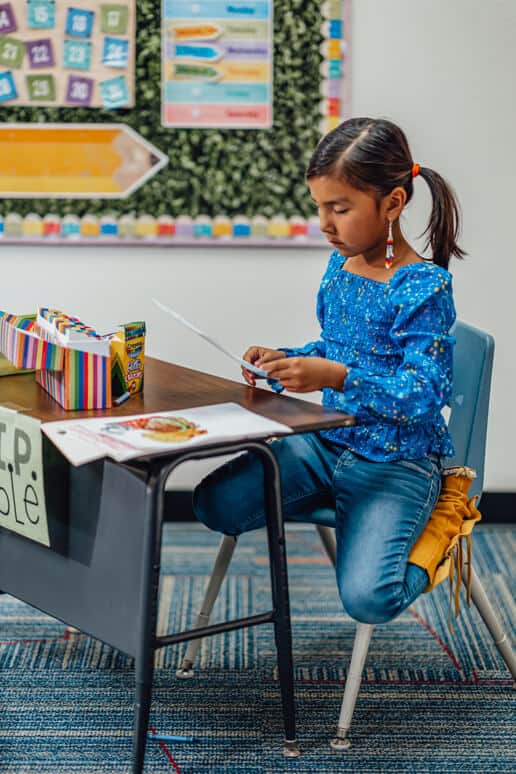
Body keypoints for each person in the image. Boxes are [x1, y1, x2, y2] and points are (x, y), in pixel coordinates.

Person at [193, 117, 465, 625]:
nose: (324, 223)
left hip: (395, 462)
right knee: (214, 505)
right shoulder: (340, 266)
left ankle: (440, 532)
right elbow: (336, 348)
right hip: (325, 443)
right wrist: (287, 360)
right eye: (319, 206)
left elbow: (425, 392)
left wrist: (337, 377)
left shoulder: (423, 286)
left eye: (339, 208)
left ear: (392, 204)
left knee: (369, 599)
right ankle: (351, 510)